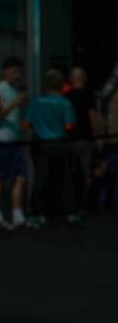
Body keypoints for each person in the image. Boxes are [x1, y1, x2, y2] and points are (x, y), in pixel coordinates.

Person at [24, 67, 77, 225]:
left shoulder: (36, 102)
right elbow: (69, 125)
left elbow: (26, 123)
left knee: (40, 179)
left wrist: (40, 126)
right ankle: (70, 212)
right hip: (59, 144)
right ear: (62, 85)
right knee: (65, 179)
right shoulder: (64, 102)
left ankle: (36, 214)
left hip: (40, 145)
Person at [0, 56, 28, 229]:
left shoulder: (14, 89)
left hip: (16, 141)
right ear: (6, 71)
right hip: (2, 141)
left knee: (20, 176)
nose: (18, 75)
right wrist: (15, 103)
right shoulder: (1, 88)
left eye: (19, 72)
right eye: (15, 71)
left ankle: (17, 214)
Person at [65, 65, 99, 218]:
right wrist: (96, 136)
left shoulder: (67, 96)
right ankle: (87, 203)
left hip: (71, 139)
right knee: (86, 171)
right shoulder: (88, 95)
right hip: (85, 138)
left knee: (74, 172)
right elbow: (92, 117)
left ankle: (76, 202)